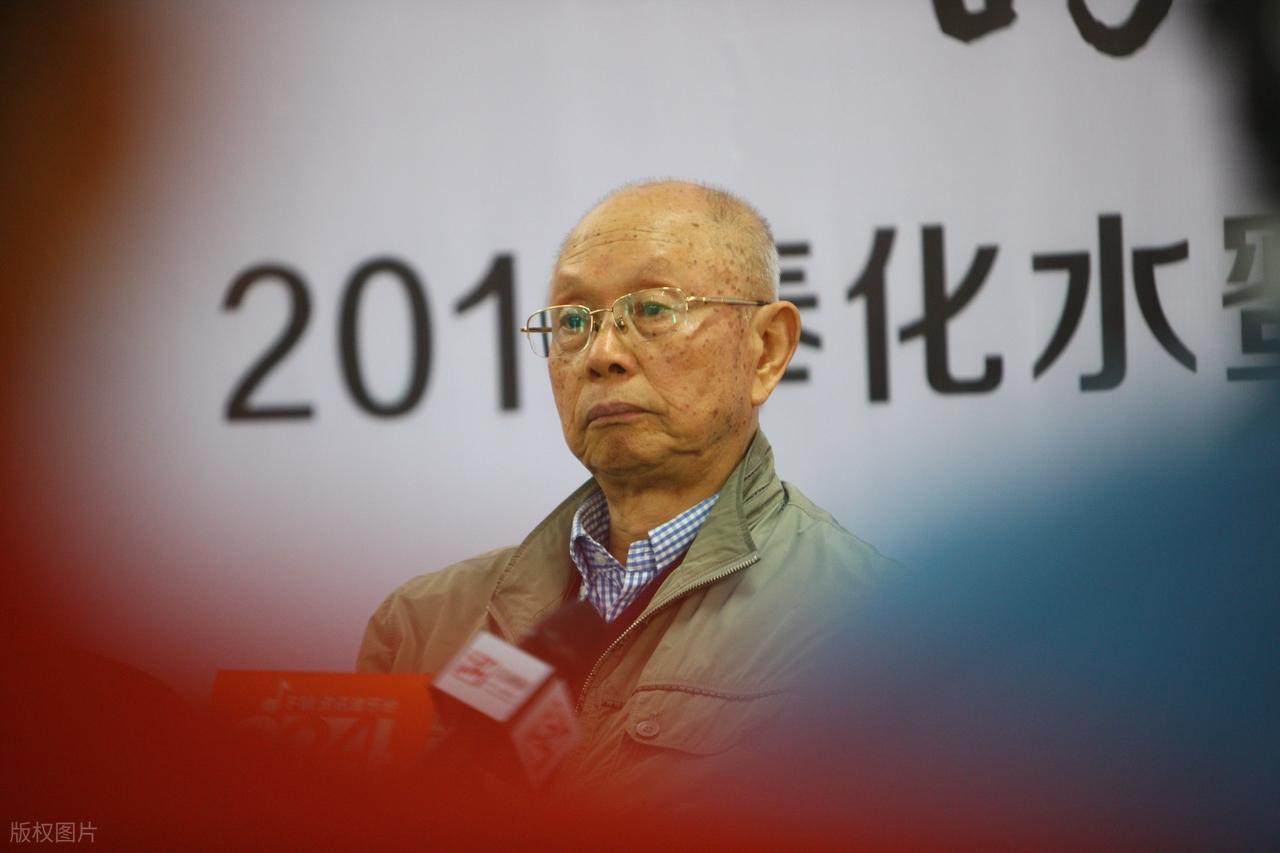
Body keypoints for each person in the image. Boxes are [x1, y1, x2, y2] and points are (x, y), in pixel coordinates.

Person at [357, 180, 890, 794]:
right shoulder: (423, 625)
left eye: (653, 310)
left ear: (766, 349)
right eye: (573, 321)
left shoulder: (873, 627)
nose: (602, 354)